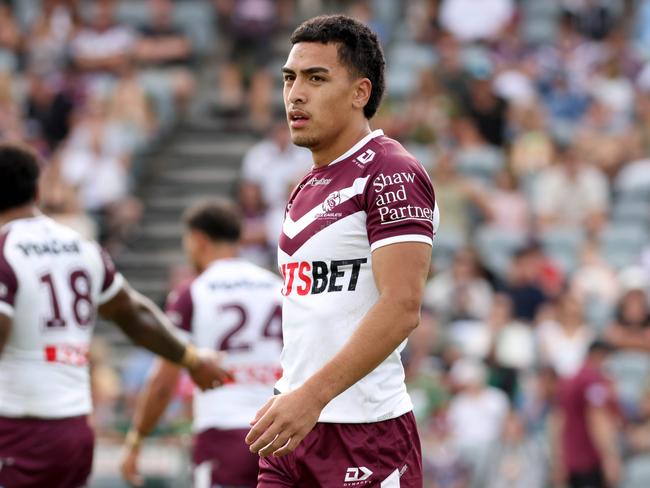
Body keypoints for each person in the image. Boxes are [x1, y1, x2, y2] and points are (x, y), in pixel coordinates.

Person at [245, 15, 438, 487]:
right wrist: (290, 391)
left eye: (316, 78)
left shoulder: (391, 170)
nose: (295, 94)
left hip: (365, 433)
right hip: (293, 433)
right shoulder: (305, 186)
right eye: (289, 78)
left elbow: (402, 308)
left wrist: (311, 396)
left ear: (360, 92)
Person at [0, 142, 231, 488]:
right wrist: (191, 358)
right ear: (37, 190)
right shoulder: (82, 245)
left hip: (14, 427)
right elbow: (133, 314)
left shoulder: (4, 248)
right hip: (74, 432)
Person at [120, 199, 283, 487]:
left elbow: (163, 380)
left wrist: (137, 439)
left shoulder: (193, 293)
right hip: (279, 433)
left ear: (198, 240)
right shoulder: (276, 286)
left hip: (222, 433)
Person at [552, 340, 622, 488]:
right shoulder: (592, 381)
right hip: (590, 459)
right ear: (599, 356)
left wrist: (559, 458)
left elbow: (558, 420)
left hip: (572, 457)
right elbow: (597, 419)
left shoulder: (570, 380)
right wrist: (609, 457)